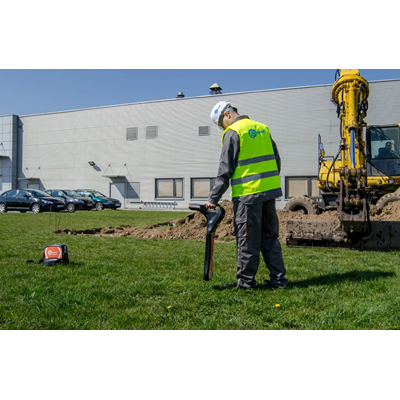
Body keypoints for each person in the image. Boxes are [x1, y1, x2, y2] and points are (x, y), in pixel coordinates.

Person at [205, 101, 288, 290]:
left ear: (226, 115)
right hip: (269, 191)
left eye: (221, 125)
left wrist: (213, 199)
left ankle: (246, 283)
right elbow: (276, 160)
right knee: (270, 238)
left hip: (248, 195)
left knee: (246, 238)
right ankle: (279, 280)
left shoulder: (233, 132)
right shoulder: (262, 128)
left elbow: (225, 170)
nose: (223, 128)